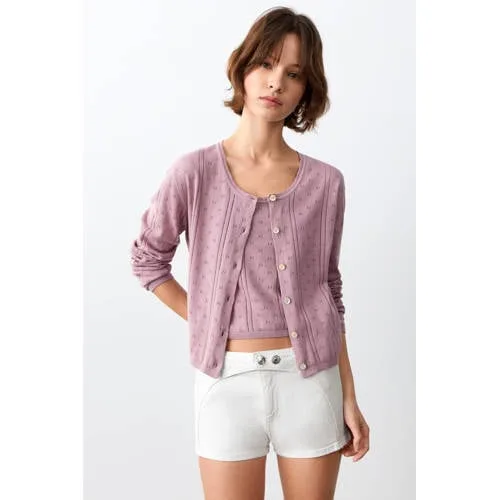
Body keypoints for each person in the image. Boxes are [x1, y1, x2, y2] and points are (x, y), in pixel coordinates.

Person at [130, 6, 369, 500]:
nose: (276, 82)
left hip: (312, 383)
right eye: (265, 63)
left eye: (293, 73)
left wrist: (348, 394)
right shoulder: (194, 173)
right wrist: (206, 317)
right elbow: (148, 259)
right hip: (225, 385)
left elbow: (329, 290)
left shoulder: (326, 184)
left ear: (306, 90)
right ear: (242, 68)